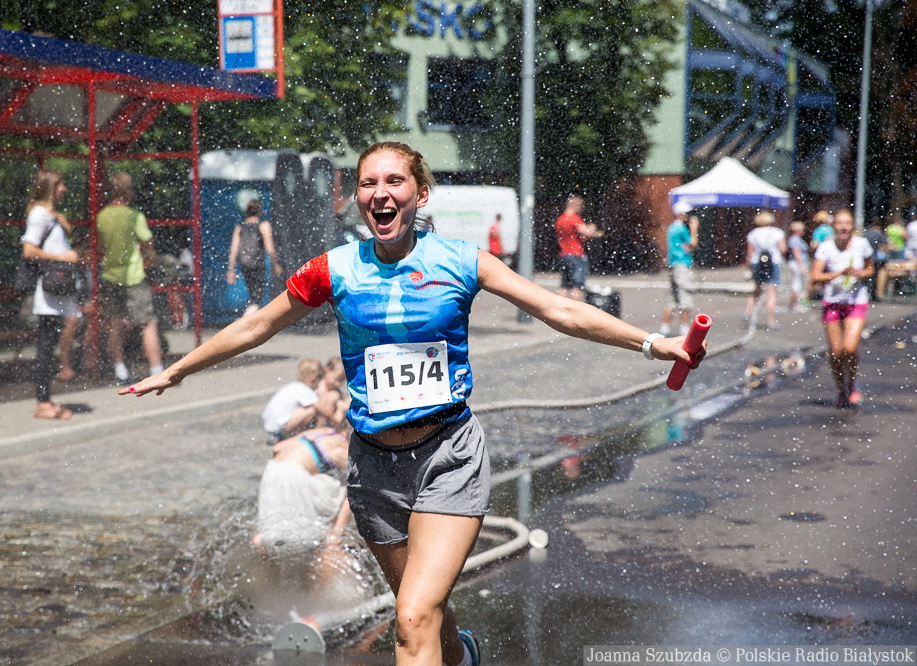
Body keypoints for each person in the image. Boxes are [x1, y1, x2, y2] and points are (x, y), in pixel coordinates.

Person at [121, 141, 704, 666]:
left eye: (394, 181)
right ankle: (463, 656)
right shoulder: (335, 269)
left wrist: (654, 343)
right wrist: (175, 370)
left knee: (410, 619)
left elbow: (562, 310)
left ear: (420, 194)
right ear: (356, 199)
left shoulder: (460, 261)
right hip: (373, 468)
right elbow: (258, 327)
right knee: (422, 612)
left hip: (447, 457)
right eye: (368, 183)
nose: (380, 193)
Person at [20, 170, 80, 420]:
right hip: (49, 292)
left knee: (50, 343)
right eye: (60, 184)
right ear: (49, 188)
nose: (64, 188)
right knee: (45, 346)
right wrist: (62, 257)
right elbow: (29, 250)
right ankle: (42, 402)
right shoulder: (39, 214)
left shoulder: (51, 215)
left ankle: (45, 397)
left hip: (59, 290)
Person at [254, 426, 352, 578]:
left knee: (274, 536)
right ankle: (330, 544)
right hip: (293, 479)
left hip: (272, 474)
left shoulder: (323, 431)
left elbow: (277, 448)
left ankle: (262, 551)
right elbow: (356, 489)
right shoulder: (342, 448)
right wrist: (337, 535)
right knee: (347, 487)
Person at [96, 172, 164, 383]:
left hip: (110, 276)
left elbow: (100, 246)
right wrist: (148, 260)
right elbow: (148, 241)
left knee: (115, 324)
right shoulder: (134, 215)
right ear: (126, 191)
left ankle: (120, 369)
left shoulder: (102, 216)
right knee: (147, 323)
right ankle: (156, 369)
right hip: (133, 276)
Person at [810, 209, 874, 407]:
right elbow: (815, 276)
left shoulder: (862, 244)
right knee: (836, 352)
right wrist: (838, 273)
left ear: (852, 226)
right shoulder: (826, 247)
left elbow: (871, 269)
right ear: (833, 226)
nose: (843, 227)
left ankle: (852, 383)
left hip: (856, 302)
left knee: (849, 348)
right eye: (839, 223)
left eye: (847, 223)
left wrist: (859, 273)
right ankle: (841, 390)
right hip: (832, 303)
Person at [261, 358, 350, 441]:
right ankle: (311, 436)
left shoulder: (295, 386)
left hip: (271, 425)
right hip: (278, 427)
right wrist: (337, 421)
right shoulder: (305, 390)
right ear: (313, 379)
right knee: (312, 410)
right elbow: (324, 411)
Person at [227, 198, 282, 316]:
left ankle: (249, 319)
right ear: (260, 211)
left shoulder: (240, 227)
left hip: (244, 264)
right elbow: (270, 248)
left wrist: (231, 270)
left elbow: (233, 250)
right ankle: (245, 321)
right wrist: (275, 263)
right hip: (257, 264)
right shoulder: (263, 226)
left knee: (254, 295)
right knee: (257, 299)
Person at [57, 236, 95, 381]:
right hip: (65, 311)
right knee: (71, 321)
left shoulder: (92, 271)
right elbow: (64, 297)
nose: (88, 258)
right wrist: (81, 308)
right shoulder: (69, 270)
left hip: (83, 312)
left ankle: (88, 365)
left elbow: (99, 295)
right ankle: (65, 367)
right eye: (85, 254)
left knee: (96, 321)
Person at [743, 211, 787, 330]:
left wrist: (748, 267)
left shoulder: (753, 233)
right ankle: (771, 321)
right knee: (771, 292)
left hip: (757, 262)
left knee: (756, 289)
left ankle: (747, 313)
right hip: (773, 262)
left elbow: (749, 252)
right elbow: (783, 249)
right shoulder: (777, 232)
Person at [660, 201, 698, 337]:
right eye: (687, 213)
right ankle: (684, 328)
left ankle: (664, 328)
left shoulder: (671, 228)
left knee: (672, 297)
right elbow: (693, 244)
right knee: (685, 296)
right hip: (682, 264)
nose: (688, 216)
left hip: (673, 264)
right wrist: (694, 229)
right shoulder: (681, 228)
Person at [554, 195, 599, 301]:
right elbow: (587, 233)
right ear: (576, 206)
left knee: (564, 286)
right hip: (576, 256)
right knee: (576, 287)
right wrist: (592, 227)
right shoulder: (574, 219)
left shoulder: (560, 219)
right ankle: (574, 312)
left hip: (564, 255)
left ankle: (560, 310)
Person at [786, 221, 810, 313]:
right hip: (797, 263)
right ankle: (795, 304)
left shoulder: (795, 239)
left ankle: (794, 303)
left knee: (797, 283)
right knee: (797, 284)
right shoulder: (795, 239)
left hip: (796, 263)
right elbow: (796, 253)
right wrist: (801, 266)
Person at [862, 220, 888, 303]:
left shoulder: (866, 233)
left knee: (866, 278)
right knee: (875, 277)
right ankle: (873, 294)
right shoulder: (879, 234)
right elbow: (885, 246)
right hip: (875, 258)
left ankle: (867, 293)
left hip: (866, 258)